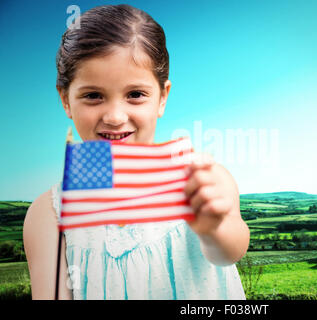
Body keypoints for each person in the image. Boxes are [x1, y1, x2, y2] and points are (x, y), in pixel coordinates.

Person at [23, 4, 249, 300]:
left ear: (162, 97)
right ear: (66, 99)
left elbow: (229, 253)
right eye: (93, 95)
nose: (115, 116)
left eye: (135, 95)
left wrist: (213, 229)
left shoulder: (204, 180)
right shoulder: (49, 215)